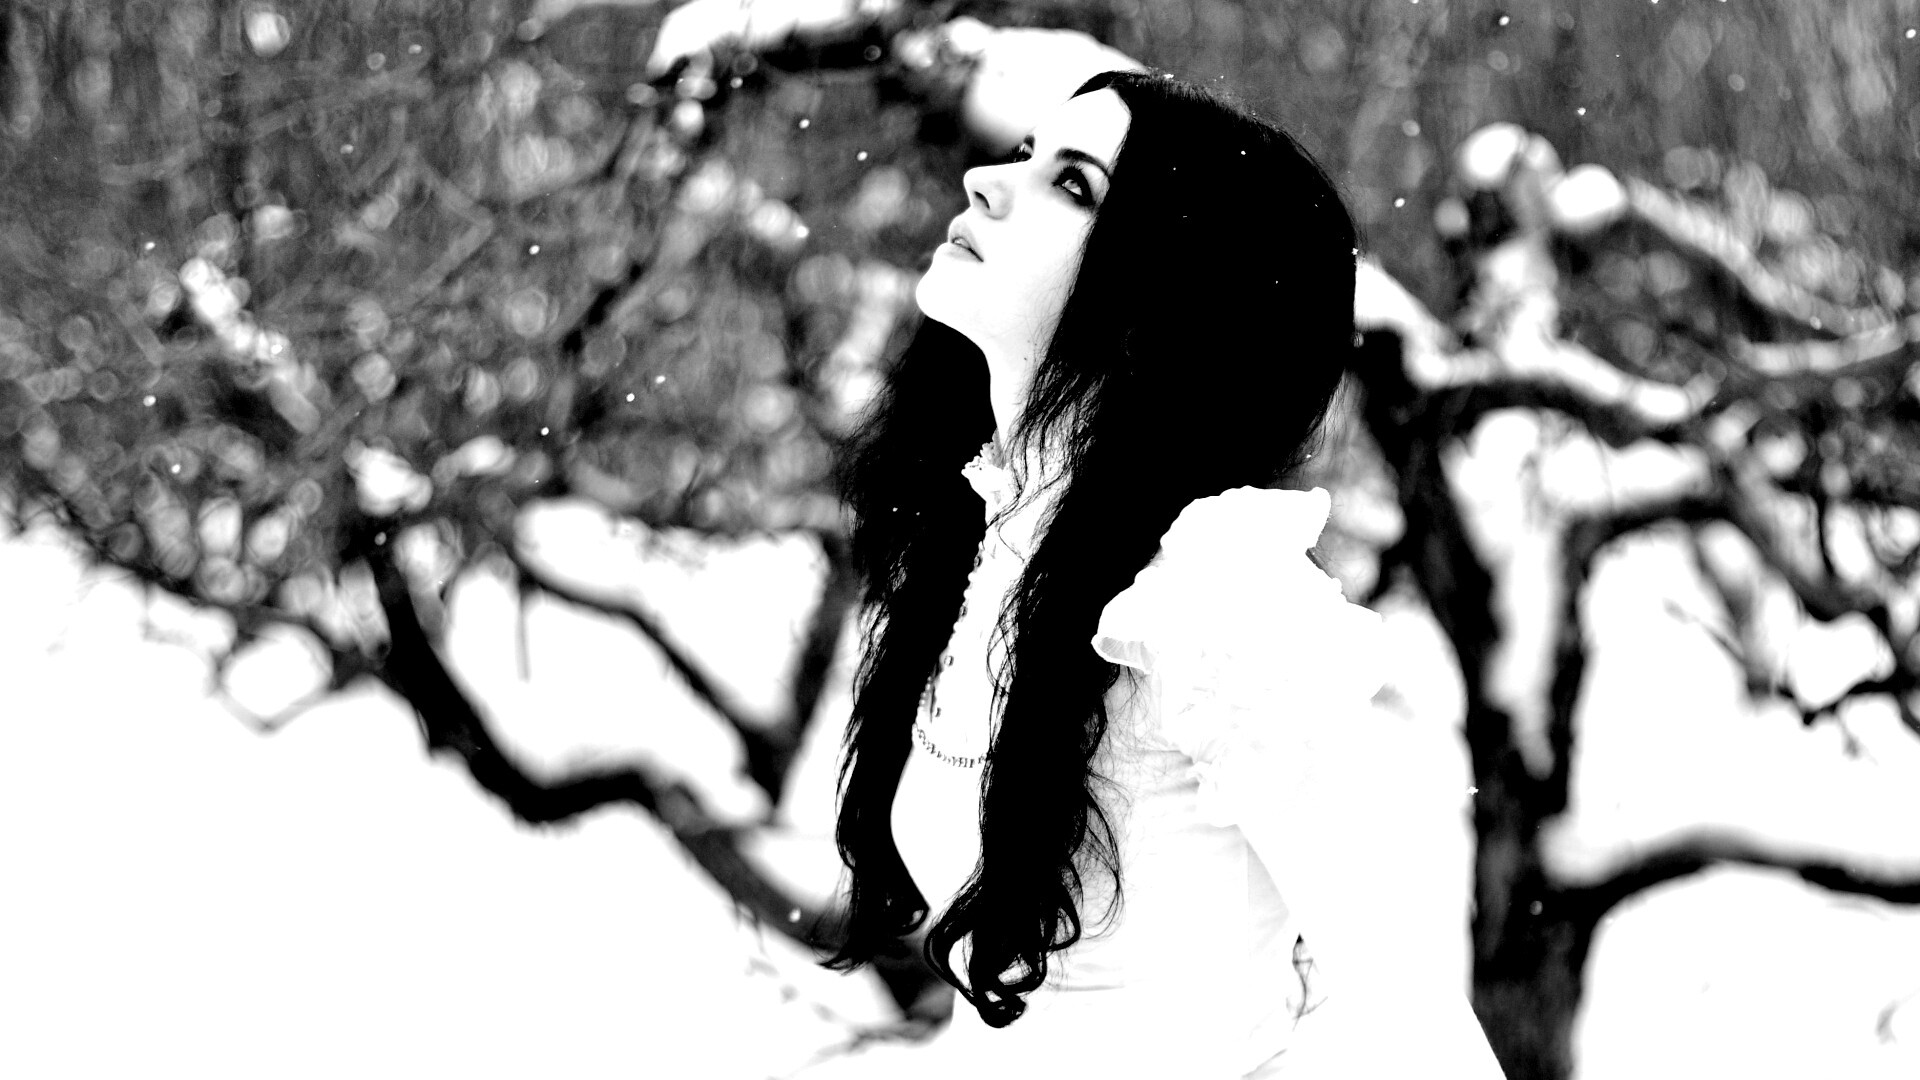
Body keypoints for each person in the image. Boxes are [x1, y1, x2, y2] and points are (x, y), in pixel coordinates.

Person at [817, 68, 1509, 1078]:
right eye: (1023, 154)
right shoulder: (982, 540)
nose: (985, 182)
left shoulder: (1215, 597)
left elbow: (1410, 1018)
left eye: (1072, 185)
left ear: (1170, 290)